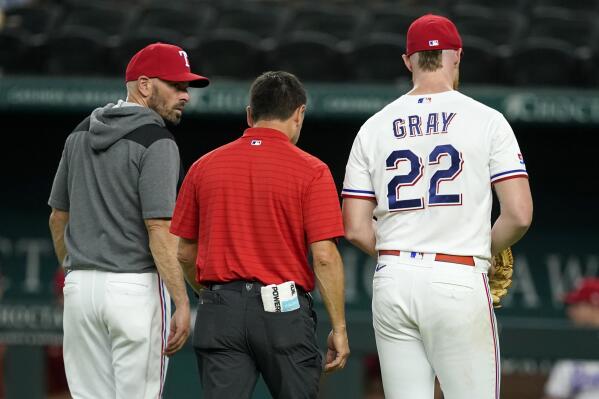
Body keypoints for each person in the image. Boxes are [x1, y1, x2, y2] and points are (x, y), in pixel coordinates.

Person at [341, 14, 533, 399]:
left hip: (392, 276)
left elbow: (356, 228)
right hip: (457, 273)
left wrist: (404, 254)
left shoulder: (374, 126)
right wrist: (486, 249)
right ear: (457, 56)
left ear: (407, 60)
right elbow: (518, 214)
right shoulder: (486, 119)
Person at [170, 71, 350, 399]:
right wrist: (339, 328)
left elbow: (183, 253)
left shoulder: (203, 167)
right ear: (299, 114)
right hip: (282, 307)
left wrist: (214, 295)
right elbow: (324, 257)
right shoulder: (313, 170)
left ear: (250, 115)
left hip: (218, 307)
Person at [48, 42, 210, 399]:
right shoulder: (158, 140)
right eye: (176, 86)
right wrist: (182, 301)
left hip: (80, 291)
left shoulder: (79, 132)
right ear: (145, 85)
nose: (185, 96)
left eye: (186, 88)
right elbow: (159, 229)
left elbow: (59, 217)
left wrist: (73, 271)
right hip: (133, 288)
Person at [544, 278, 599, 399]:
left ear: (594, 306)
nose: (570, 312)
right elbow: (554, 395)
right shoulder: (573, 349)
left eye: (577, 305)